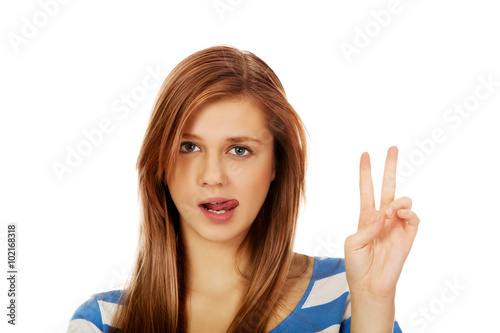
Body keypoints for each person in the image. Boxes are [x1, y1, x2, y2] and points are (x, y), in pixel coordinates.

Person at [67, 45, 419, 332]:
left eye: (239, 150)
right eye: (189, 147)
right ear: (159, 160)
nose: (213, 176)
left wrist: (373, 302)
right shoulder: (102, 322)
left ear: (276, 163)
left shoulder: (346, 292)